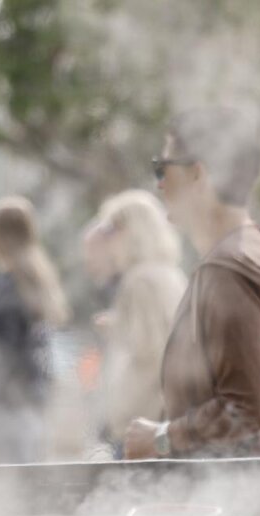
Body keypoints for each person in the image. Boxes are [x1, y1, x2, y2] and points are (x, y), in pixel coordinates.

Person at [124, 106, 260, 460]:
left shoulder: (228, 270)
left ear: (197, 174)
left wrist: (160, 438)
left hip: (242, 508)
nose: (158, 182)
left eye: (163, 168)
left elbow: (245, 409)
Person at [86, 190, 188, 454]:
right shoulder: (170, 274)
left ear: (131, 230)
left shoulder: (140, 280)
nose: (107, 240)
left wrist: (117, 330)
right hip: (161, 422)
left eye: (111, 229)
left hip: (142, 424)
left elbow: (149, 354)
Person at [0, 196, 70, 463]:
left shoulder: (10, 286)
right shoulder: (36, 278)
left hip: (7, 411)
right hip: (32, 406)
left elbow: (1, 358)